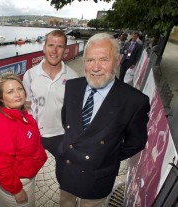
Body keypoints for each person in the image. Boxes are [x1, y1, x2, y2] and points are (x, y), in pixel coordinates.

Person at [56, 33, 150, 207]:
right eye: (90, 60)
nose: (95, 67)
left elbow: (136, 143)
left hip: (97, 180)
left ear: (117, 60)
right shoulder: (72, 86)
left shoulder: (135, 101)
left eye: (103, 59)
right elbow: (67, 122)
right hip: (67, 172)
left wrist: (106, 155)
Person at [0, 73, 47, 207]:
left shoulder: (21, 112)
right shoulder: (2, 125)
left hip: (26, 176)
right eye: (10, 91)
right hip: (16, 184)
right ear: (1, 98)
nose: (18, 94)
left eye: (20, 89)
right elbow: (1, 165)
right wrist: (17, 190)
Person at [23, 29, 78, 157]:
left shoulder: (74, 77)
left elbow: (75, 111)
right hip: (35, 133)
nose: (54, 51)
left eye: (59, 46)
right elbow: (26, 105)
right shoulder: (30, 75)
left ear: (65, 50)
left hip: (61, 135)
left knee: (64, 173)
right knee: (29, 171)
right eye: (51, 45)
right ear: (44, 48)